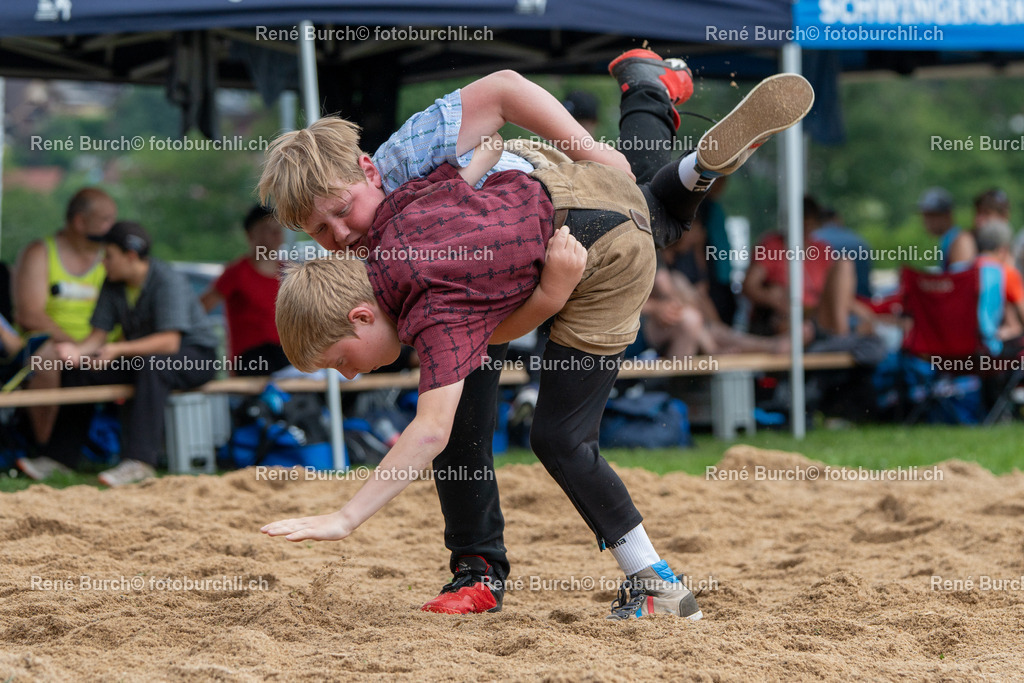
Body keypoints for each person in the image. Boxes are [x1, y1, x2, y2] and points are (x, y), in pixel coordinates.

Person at [258, 53, 814, 620]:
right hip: (543, 222)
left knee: (515, 418)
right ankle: (681, 147)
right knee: (639, 204)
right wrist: (519, 221)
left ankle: (604, 577)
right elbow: (480, 164)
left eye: (342, 213)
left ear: (371, 169)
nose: (340, 235)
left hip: (566, 229)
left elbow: (503, 90)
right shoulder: (401, 220)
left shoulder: (409, 164)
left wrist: (585, 149)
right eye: (319, 234)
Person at [32, 221, 219, 486]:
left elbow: (169, 343)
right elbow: (98, 336)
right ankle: (59, 460)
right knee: (80, 370)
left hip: (195, 357)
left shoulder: (167, 279)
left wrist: (117, 349)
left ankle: (140, 462)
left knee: (154, 365)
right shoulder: (113, 283)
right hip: (143, 359)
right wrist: (76, 352)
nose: (102, 263)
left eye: (108, 256)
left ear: (130, 256)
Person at [13, 188, 118, 463]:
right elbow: (29, 314)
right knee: (48, 357)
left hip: (106, 349)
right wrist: (77, 347)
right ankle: (48, 450)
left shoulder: (113, 257)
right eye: (105, 220)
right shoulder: (41, 252)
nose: (112, 228)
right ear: (80, 222)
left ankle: (133, 452)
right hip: (57, 347)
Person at [200, 205, 289, 376]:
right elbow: (201, 308)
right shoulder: (237, 273)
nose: (277, 235)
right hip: (252, 359)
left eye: (279, 229)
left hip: (287, 355)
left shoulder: (290, 272)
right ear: (251, 235)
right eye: (268, 230)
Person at [919, 186, 974, 272]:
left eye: (932, 216)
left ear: (947, 215)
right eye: (925, 216)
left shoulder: (960, 241)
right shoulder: (947, 240)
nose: (926, 222)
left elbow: (962, 282)